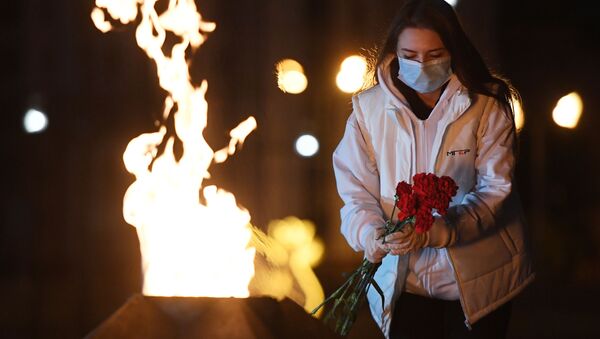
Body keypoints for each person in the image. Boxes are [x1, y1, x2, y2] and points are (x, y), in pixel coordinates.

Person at [332, 0, 535, 338]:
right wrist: (372, 235)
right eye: (409, 56)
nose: (421, 65)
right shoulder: (369, 111)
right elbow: (355, 192)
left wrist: (441, 230)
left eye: (434, 55)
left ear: (453, 50)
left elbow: (496, 190)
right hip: (403, 284)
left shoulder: (485, 104)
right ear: (395, 52)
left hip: (480, 283)